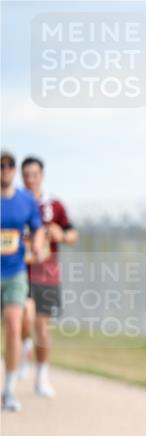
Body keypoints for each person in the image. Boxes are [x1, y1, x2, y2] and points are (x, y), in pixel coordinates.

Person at [16, 156, 78, 397]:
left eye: (35, 174)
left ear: (42, 176)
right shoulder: (14, 203)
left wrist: (60, 235)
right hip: (20, 271)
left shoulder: (55, 206)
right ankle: (23, 347)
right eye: (27, 174)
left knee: (42, 326)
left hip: (47, 275)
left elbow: (72, 233)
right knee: (21, 316)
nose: (31, 178)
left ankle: (41, 376)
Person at [1, 150, 45, 412]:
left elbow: (37, 227)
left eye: (9, 165)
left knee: (14, 326)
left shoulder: (25, 200)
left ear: (14, 170)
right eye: (1, 165)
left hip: (15, 272)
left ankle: (8, 391)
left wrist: (38, 244)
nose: (5, 169)